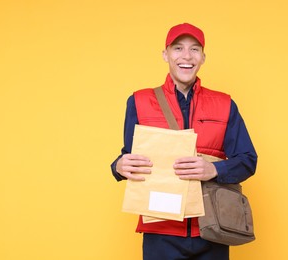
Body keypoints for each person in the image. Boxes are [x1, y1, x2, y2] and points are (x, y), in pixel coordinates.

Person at [110, 23, 257, 260]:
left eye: (194, 49)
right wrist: (118, 166)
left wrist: (214, 169)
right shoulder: (139, 101)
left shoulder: (225, 104)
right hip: (160, 231)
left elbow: (248, 161)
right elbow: (128, 156)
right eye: (178, 48)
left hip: (212, 228)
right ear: (165, 54)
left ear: (203, 57)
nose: (186, 56)